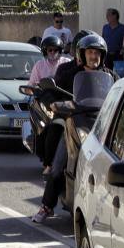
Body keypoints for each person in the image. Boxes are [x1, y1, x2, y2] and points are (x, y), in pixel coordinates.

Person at [32, 34, 118, 224]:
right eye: (90, 52)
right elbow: (50, 92)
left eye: (97, 53)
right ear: (83, 54)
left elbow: (120, 98)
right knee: (57, 168)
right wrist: (54, 104)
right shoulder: (69, 74)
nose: (93, 56)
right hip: (75, 123)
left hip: (102, 127)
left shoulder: (110, 76)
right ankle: (47, 206)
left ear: (102, 56)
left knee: (119, 166)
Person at [28, 35, 71, 176]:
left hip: (65, 101)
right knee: (50, 128)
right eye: (49, 50)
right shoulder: (39, 66)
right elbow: (31, 85)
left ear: (60, 50)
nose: (52, 53)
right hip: (45, 103)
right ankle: (48, 163)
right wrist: (34, 88)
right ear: (45, 51)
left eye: (55, 50)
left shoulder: (66, 63)